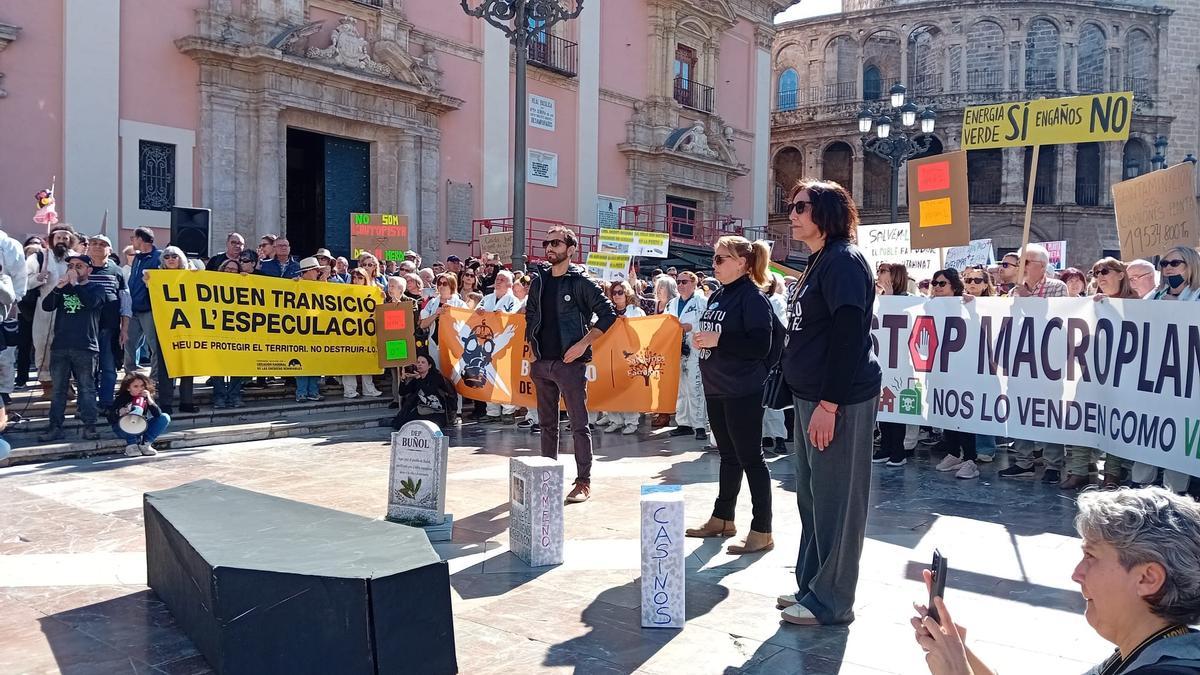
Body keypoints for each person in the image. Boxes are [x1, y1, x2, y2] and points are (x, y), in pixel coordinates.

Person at [912, 487, 1200, 675]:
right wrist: (961, 653)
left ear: (1148, 578)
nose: (1077, 573)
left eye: (1091, 556)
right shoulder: (1149, 652)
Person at [778, 179, 881, 626]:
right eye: (791, 206)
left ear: (827, 213)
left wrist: (830, 403)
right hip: (810, 397)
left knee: (837, 502)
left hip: (836, 399)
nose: (792, 213)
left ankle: (833, 601)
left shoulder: (844, 261)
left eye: (801, 206)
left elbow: (848, 335)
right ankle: (811, 585)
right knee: (813, 498)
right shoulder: (818, 260)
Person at [686, 236, 777, 555]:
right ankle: (723, 517)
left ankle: (762, 529)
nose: (714, 265)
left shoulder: (752, 297)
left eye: (720, 259)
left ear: (742, 262)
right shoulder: (721, 294)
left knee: (752, 458)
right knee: (728, 455)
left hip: (742, 389)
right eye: (714, 258)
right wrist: (705, 340)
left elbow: (760, 345)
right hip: (717, 387)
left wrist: (718, 340)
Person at [525, 225, 618, 504]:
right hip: (542, 363)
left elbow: (607, 314)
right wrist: (530, 346)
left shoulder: (581, 282)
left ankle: (583, 481)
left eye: (556, 243)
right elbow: (531, 314)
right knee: (546, 424)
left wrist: (582, 344)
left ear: (571, 249)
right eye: (547, 243)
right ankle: (546, 476)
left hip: (570, 364)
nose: (550, 248)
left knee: (579, 425)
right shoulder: (539, 280)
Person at [1131, 246, 1200, 496]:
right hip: (1152, 377)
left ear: (1190, 265)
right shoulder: (1155, 297)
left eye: (1175, 263)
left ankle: (1176, 490)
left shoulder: (1198, 297)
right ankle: (1142, 484)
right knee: (1148, 427)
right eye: (1164, 263)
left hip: (1185, 380)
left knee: (1179, 431)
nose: (1168, 268)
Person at [1000, 243, 1067, 482]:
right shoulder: (1012, 292)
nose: (1022, 267)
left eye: (1027, 262)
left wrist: (1030, 301)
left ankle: (1052, 464)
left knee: (1049, 413)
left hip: (1047, 364)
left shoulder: (1056, 287)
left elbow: (1055, 321)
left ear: (1043, 266)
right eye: (1021, 262)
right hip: (1021, 362)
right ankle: (1023, 461)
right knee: (1018, 410)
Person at [1084, 257, 1144, 490]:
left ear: (1121, 274)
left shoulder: (1137, 303)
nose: (1099, 276)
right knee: (1088, 419)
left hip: (1124, 374)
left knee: (1116, 421)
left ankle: (1113, 474)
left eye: (1105, 271)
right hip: (1094, 371)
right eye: (1095, 272)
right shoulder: (1092, 302)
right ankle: (1079, 471)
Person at [37, 253, 105, 442]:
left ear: (89, 270)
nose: (74, 269)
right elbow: (47, 306)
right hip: (60, 346)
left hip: (85, 346)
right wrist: (59, 287)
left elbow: (92, 303)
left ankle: (89, 427)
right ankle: (55, 427)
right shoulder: (63, 289)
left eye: (79, 266)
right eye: (71, 266)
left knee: (87, 388)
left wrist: (75, 285)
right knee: (58, 389)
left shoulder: (96, 288)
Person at [926, 268, 980, 480]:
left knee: (963, 414)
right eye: (935, 283)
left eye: (942, 283)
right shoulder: (931, 305)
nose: (937, 287)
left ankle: (970, 459)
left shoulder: (966, 304)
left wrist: (972, 306)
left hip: (962, 370)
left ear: (954, 286)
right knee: (945, 412)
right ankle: (953, 453)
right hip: (939, 368)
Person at [27, 224, 76, 399]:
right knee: (43, 344)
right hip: (45, 309)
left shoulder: (75, 258)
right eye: (58, 237)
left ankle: (67, 384)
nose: (62, 241)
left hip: (70, 309)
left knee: (67, 346)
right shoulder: (39, 257)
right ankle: (47, 385)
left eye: (65, 238)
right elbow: (23, 280)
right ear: (52, 240)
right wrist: (37, 279)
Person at [594, 279, 647, 435]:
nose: (617, 296)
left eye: (620, 292)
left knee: (627, 389)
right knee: (610, 387)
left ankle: (631, 421)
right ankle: (615, 419)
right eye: (614, 293)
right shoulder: (607, 311)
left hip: (629, 356)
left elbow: (643, 331)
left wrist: (628, 324)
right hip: (609, 355)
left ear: (627, 293)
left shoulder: (636, 312)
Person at [874, 263, 914, 467]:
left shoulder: (908, 301)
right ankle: (885, 447)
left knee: (896, 406)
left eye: (883, 271)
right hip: (882, 361)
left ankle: (898, 450)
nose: (879, 275)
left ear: (895, 276)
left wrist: (889, 301)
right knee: (883, 406)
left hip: (900, 364)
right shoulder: (877, 299)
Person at [86, 235, 130, 409]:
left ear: (110, 250)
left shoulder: (117, 271)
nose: (97, 246)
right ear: (88, 247)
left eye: (102, 244)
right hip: (85, 330)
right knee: (87, 371)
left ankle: (106, 403)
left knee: (109, 369)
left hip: (109, 329)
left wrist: (124, 329)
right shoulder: (81, 268)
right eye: (94, 243)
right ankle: (88, 404)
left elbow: (126, 303)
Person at [959, 264, 998, 463]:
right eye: (968, 280)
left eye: (977, 280)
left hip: (988, 363)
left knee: (984, 405)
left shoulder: (996, 304)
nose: (971, 284)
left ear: (985, 285)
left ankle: (986, 447)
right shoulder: (956, 303)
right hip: (964, 363)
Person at [154, 246, 198, 415]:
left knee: (188, 364)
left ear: (181, 259)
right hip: (166, 326)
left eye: (175, 256)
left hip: (189, 326)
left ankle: (187, 401)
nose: (171, 259)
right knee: (166, 366)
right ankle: (165, 402)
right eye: (167, 257)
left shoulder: (192, 276)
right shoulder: (155, 277)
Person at [666, 271, 708, 441]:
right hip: (676, 350)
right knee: (680, 388)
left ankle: (700, 425)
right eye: (678, 282)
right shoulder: (672, 304)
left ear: (694, 283)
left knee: (695, 387)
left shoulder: (702, 302)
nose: (680, 285)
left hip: (695, 349)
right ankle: (683, 422)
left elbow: (707, 322)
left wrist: (691, 327)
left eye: (684, 282)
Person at [124, 227, 162, 388]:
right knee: (129, 343)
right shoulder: (138, 258)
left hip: (149, 309)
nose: (132, 241)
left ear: (141, 239)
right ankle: (130, 378)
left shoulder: (159, 257)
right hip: (133, 309)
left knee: (153, 345)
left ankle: (154, 380)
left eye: (133, 238)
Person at [107, 372, 170, 457]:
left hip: (141, 426)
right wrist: (119, 412)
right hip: (123, 428)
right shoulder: (121, 398)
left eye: (142, 386)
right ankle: (131, 445)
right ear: (128, 388)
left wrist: (150, 400)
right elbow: (110, 418)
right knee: (132, 417)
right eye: (135, 386)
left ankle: (145, 444)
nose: (140, 389)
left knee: (164, 417)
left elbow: (157, 414)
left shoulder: (146, 397)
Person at [291, 257, 326, 402]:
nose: (318, 272)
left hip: (317, 329)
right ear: (307, 272)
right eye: (316, 270)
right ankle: (301, 392)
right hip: (300, 329)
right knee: (302, 361)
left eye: (319, 270)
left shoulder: (321, 286)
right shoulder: (294, 285)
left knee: (315, 361)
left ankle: (313, 391)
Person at [391, 354, 456, 429]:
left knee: (424, 427)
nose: (420, 365)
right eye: (418, 362)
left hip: (437, 411)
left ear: (429, 366)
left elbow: (428, 392)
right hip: (422, 409)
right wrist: (403, 379)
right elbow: (402, 392)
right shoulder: (417, 378)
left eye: (423, 362)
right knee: (401, 425)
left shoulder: (436, 377)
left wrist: (418, 378)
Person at [420, 272, 468, 372]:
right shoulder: (432, 303)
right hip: (434, 343)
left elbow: (468, 324)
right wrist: (435, 314)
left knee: (453, 374)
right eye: (439, 283)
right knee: (436, 373)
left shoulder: (459, 304)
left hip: (452, 344)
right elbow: (423, 324)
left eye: (445, 284)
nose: (441, 286)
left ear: (452, 285)